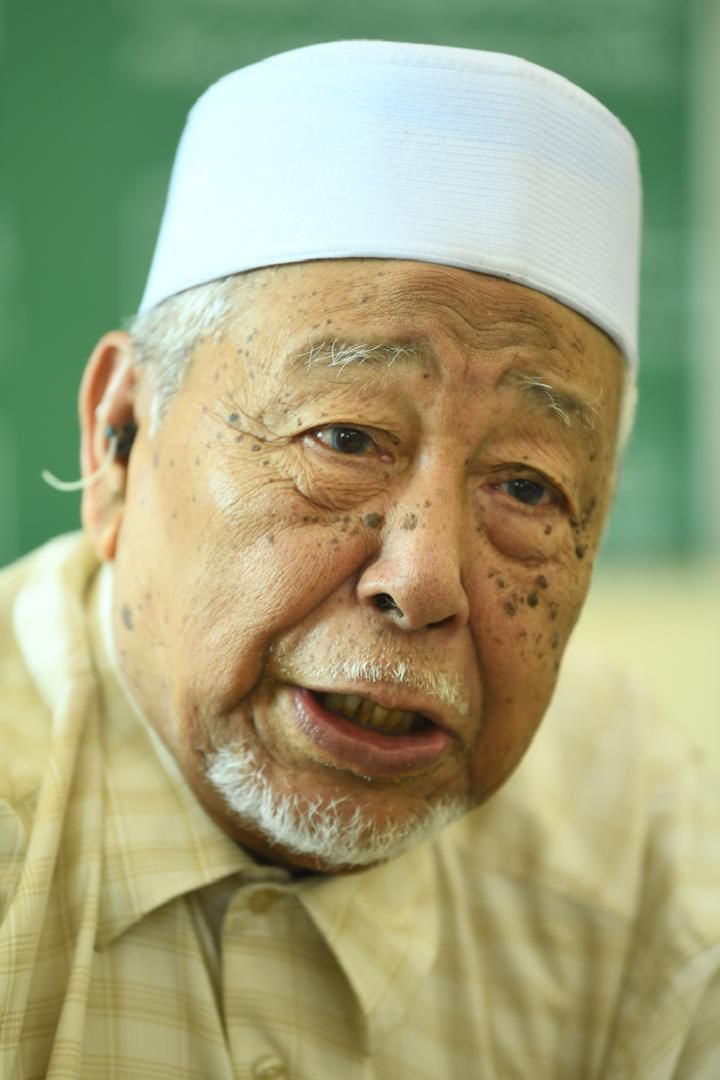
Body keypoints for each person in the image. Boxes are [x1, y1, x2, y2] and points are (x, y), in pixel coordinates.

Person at [0, 40, 717, 1079]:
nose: (422, 582)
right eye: (343, 439)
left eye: (527, 488)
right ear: (119, 442)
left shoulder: (635, 841)